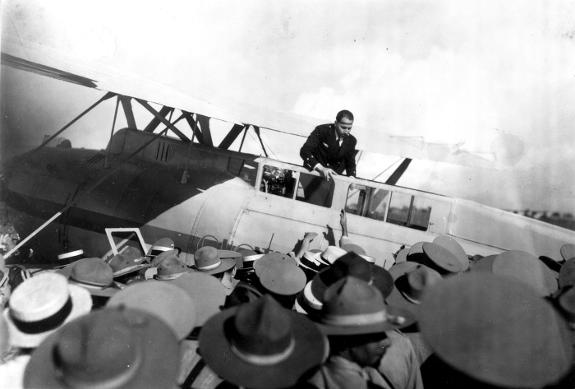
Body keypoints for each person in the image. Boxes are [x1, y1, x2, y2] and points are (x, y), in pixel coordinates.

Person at [300, 110, 357, 181]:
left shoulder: (351, 140)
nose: (346, 131)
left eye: (349, 128)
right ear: (336, 123)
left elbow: (350, 163)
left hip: (331, 181)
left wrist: (352, 178)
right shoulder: (321, 131)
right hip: (311, 176)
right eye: (343, 127)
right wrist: (321, 168)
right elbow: (305, 151)